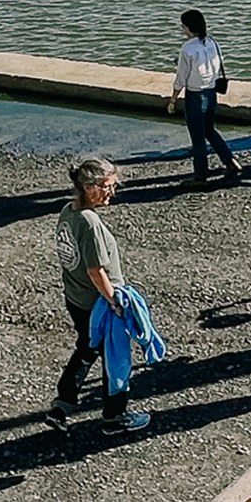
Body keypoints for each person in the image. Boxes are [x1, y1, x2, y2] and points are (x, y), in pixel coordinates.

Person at [52, 157, 150, 433]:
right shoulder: (90, 223)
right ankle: (115, 416)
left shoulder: (67, 212)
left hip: (76, 300)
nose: (112, 192)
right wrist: (115, 302)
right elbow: (96, 271)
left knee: (86, 347)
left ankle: (63, 403)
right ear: (89, 186)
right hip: (100, 305)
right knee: (116, 357)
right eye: (107, 186)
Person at [165, 8, 243, 189]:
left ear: (188, 27)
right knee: (210, 130)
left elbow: (181, 79)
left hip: (195, 96)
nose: (182, 30)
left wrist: (173, 100)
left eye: (182, 26)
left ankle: (200, 176)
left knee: (197, 138)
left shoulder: (187, 48)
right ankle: (230, 161)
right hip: (211, 92)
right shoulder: (212, 42)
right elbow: (214, 67)